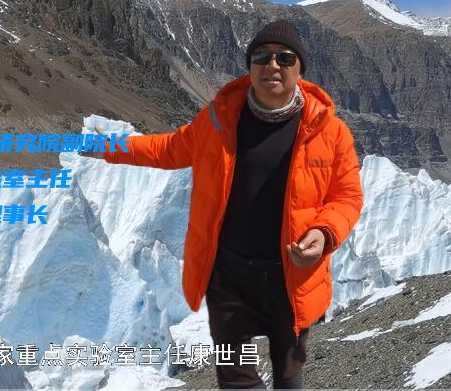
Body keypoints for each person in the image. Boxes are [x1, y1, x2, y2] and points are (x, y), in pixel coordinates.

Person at [84, 20, 364, 388]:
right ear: (249, 67)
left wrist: (325, 232)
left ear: (300, 69)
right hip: (230, 275)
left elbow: (347, 196)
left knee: (289, 371)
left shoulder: (330, 131)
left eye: (284, 57)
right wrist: (111, 147)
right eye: (261, 56)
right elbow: (168, 149)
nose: (272, 65)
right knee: (234, 375)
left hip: (292, 276)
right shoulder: (219, 120)